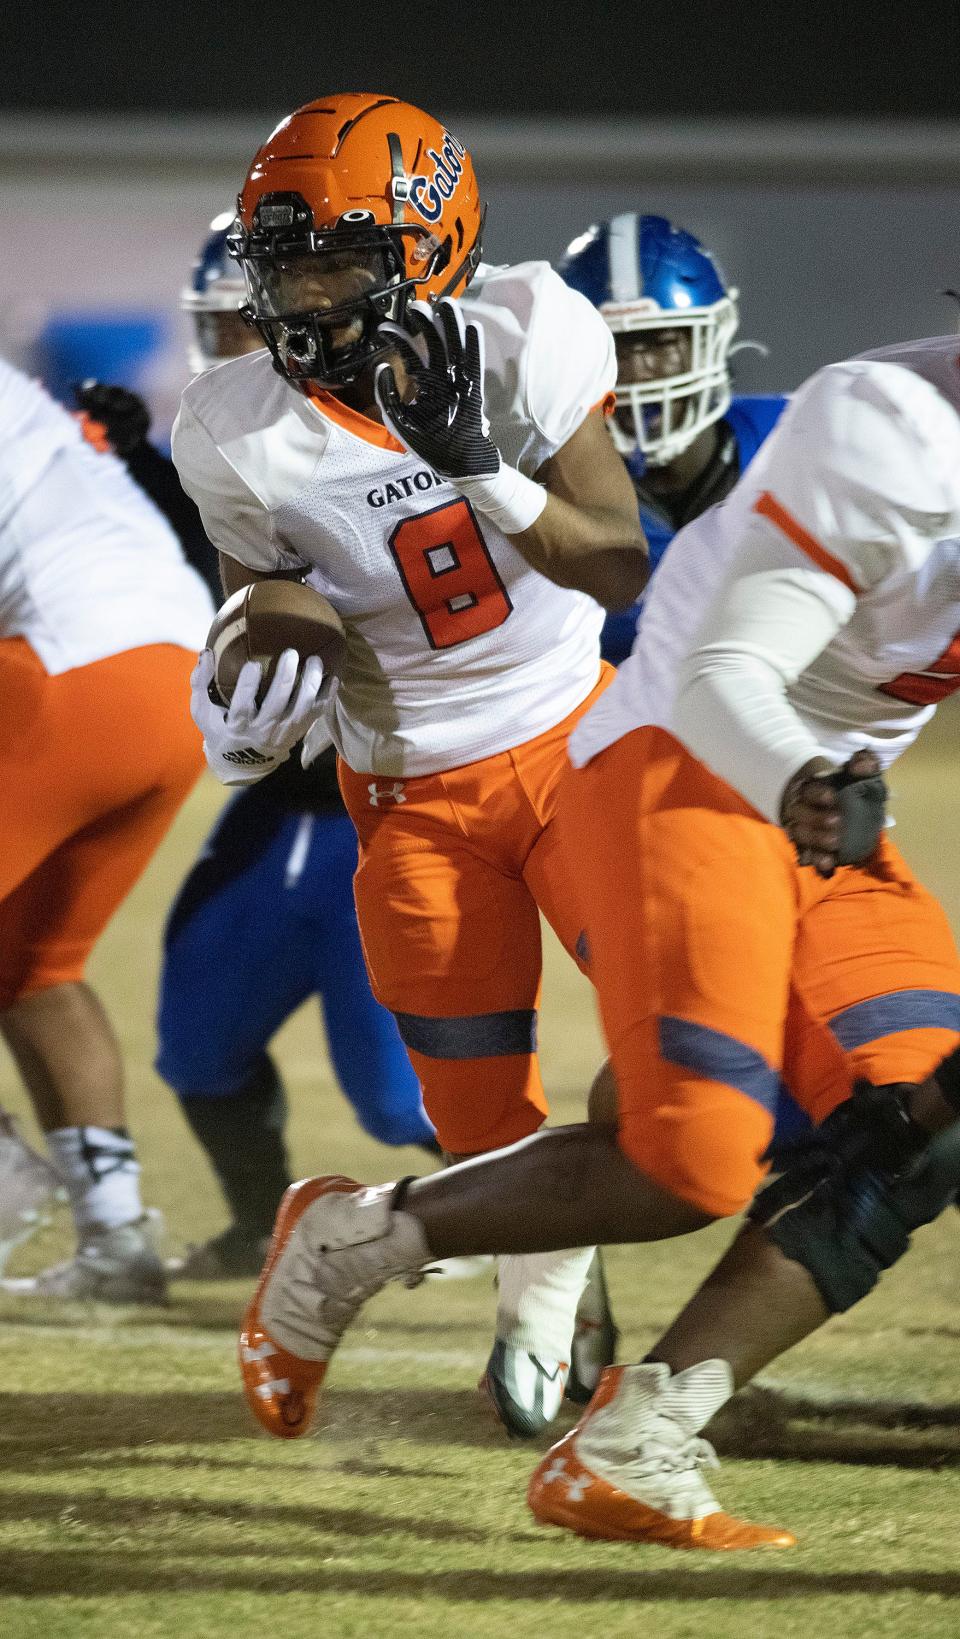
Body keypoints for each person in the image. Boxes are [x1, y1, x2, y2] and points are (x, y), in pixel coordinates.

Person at [236, 331, 960, 1550]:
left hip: (826, 806)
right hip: (682, 767)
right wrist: (808, 791)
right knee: (690, 1163)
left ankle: (634, 1442)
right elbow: (725, 677)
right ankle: (351, 1240)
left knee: (926, 1118)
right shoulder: (894, 423)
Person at [171, 92, 647, 1433]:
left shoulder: (527, 329)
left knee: (678, 1031)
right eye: (289, 267)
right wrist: (249, 698)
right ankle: (540, 1282)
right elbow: (272, 601)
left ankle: (550, 1278)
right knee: (479, 1114)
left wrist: (481, 469)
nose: (308, 298)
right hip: (407, 791)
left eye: (338, 261)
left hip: (577, 743)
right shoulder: (232, 421)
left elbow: (617, 559)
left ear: (433, 246)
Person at [80, 216, 440, 1283]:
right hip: (278, 809)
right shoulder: (224, 455)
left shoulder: (380, 445)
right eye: (222, 328)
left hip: (386, 805)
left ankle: (519, 1223)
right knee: (197, 1039)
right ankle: (250, 1226)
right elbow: (198, 546)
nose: (238, 351)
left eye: (253, 325)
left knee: (394, 1095)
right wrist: (133, 468)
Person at [0, 357, 212, 1302]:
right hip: (180, 686)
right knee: (37, 967)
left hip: (69, 667)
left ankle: (4, 1177)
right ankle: (118, 1240)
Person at [558, 213, 786, 664]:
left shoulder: (795, 436)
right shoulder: (551, 483)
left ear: (715, 335)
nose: (638, 371)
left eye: (660, 342)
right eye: (614, 348)